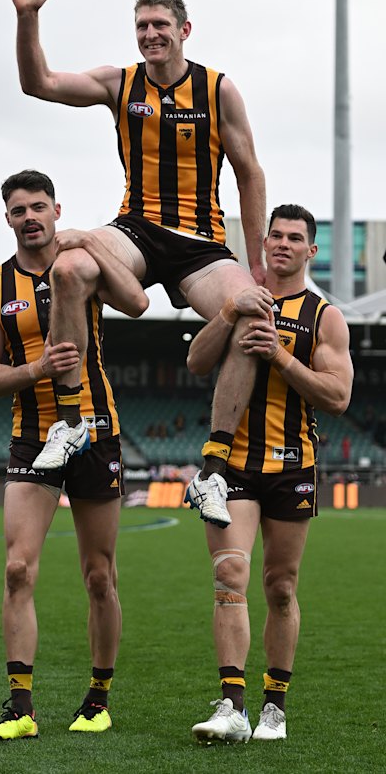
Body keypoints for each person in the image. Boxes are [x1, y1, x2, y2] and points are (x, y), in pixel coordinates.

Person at [8, 0, 271, 529]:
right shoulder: (119, 83)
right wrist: (28, 17)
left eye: (160, 25)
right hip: (135, 228)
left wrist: (256, 264)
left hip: (201, 243)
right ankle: (74, 419)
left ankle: (212, 471)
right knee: (71, 268)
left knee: (254, 322)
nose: (150, 35)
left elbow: (250, 172)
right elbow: (39, 83)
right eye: (141, 27)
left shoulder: (217, 89)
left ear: (184, 30)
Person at [0, 169, 148, 741]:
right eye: (19, 210)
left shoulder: (82, 268)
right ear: (7, 219)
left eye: (38, 207)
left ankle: (98, 698)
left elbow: (138, 303)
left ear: (55, 210)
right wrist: (35, 369)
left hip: (95, 430)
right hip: (33, 436)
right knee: (18, 569)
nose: (29, 218)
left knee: (100, 576)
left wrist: (92, 241)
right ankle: (20, 707)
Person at [185, 205, 353, 741]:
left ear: (311, 250)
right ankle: (231, 705)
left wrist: (281, 358)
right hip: (231, 464)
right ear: (263, 245)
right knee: (229, 575)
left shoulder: (324, 316)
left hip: (290, 464)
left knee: (280, 586)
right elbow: (197, 361)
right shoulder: (241, 298)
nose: (282, 244)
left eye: (294, 238)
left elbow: (339, 396)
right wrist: (229, 311)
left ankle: (273, 708)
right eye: (274, 236)